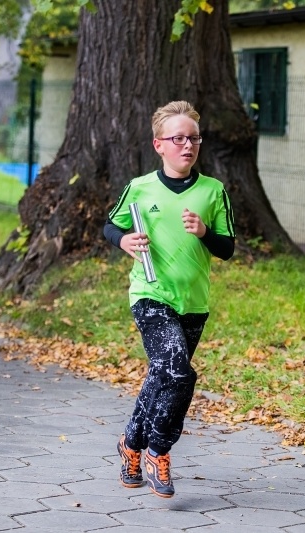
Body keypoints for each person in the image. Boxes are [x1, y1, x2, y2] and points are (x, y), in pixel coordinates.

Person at [103, 100, 236, 498]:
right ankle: (158, 449)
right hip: (150, 294)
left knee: (162, 376)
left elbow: (227, 248)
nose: (187, 145)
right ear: (159, 145)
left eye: (193, 137)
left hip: (193, 301)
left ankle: (130, 444)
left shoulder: (214, 191)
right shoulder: (140, 188)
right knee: (178, 371)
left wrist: (204, 232)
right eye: (178, 138)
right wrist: (124, 239)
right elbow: (112, 225)